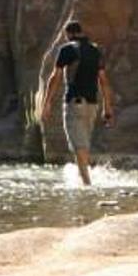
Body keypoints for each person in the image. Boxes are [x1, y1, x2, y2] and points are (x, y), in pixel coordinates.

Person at [41, 20, 116, 185]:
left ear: (69, 33)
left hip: (75, 103)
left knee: (78, 145)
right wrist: (107, 108)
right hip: (92, 105)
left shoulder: (67, 49)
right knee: (83, 143)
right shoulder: (95, 50)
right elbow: (103, 80)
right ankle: (84, 177)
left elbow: (55, 77)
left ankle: (87, 184)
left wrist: (47, 103)